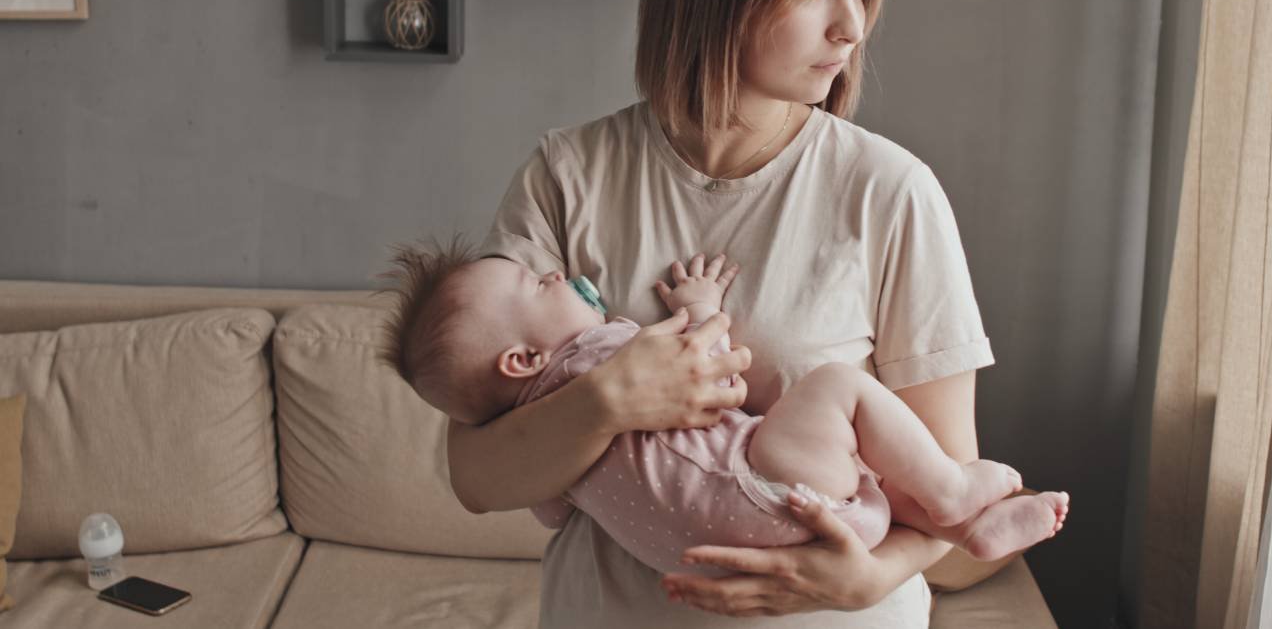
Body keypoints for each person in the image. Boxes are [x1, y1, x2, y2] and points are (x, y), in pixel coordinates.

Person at [447, 0, 1011, 626]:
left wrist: (866, 578)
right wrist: (611, 397)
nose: (852, 27)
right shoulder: (568, 176)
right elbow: (475, 476)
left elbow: (955, 489)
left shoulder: (890, 193)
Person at [379, 243, 1070, 577]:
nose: (555, 274)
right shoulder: (598, 353)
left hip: (719, 553)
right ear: (523, 360)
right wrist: (702, 309)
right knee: (835, 388)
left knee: (863, 466)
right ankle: (952, 493)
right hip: (764, 486)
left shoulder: (546, 459)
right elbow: (716, 373)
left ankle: (971, 528)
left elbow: (547, 505)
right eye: (537, 282)